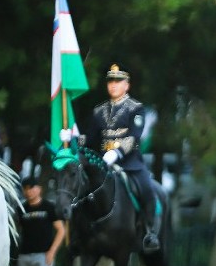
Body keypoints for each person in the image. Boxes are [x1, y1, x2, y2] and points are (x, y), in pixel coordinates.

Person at [61, 63, 161, 253]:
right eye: (111, 82)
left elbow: (134, 136)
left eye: (118, 81)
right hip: (102, 163)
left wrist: (117, 152)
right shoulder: (99, 111)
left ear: (127, 85)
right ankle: (77, 235)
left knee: (147, 188)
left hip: (129, 163)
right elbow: (91, 139)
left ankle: (150, 232)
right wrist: (72, 138)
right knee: (81, 191)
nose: (113, 85)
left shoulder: (135, 109)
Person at [17, 176, 65, 266]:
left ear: (39, 189)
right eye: (25, 189)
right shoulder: (22, 209)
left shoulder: (49, 207)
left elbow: (61, 231)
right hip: (24, 256)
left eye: (31, 188)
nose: (28, 191)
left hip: (43, 256)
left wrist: (52, 252)